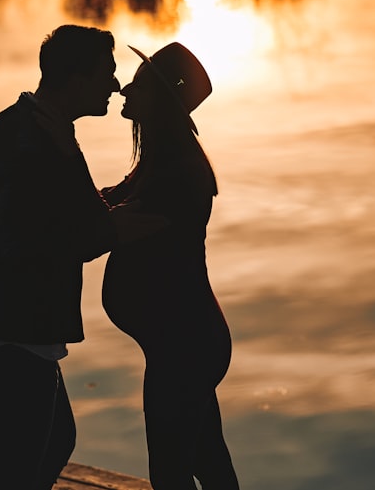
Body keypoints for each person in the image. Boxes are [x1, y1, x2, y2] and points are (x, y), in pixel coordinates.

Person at [0, 24, 164, 490]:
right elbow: (29, 243)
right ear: (76, 80)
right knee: (15, 470)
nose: (115, 84)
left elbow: (63, 213)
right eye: (106, 74)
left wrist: (107, 218)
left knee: (53, 443)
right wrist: (113, 230)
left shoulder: (44, 129)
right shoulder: (27, 141)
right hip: (5, 327)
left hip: (15, 323)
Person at [101, 41, 239, 489]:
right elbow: (109, 200)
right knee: (207, 461)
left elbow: (111, 224)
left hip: (186, 347)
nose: (124, 89)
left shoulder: (177, 173)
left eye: (138, 85)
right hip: (184, 344)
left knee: (171, 472)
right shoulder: (157, 163)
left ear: (161, 98)